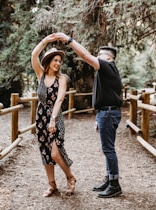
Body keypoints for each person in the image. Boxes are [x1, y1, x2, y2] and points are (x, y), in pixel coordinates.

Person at [53, 32, 123, 198]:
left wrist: (69, 40)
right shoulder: (105, 72)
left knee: (108, 149)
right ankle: (109, 179)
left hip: (108, 113)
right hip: (105, 113)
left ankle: (115, 184)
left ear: (108, 58)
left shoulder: (108, 66)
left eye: (99, 56)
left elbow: (84, 55)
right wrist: (98, 116)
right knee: (107, 149)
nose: (96, 58)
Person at [31, 34, 76, 197]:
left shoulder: (62, 79)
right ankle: (52, 185)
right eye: (55, 60)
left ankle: (70, 178)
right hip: (40, 117)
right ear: (49, 62)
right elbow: (34, 55)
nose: (58, 63)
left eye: (59, 61)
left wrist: (53, 120)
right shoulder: (41, 75)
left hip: (55, 118)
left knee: (55, 153)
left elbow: (60, 99)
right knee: (45, 151)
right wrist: (46, 41)